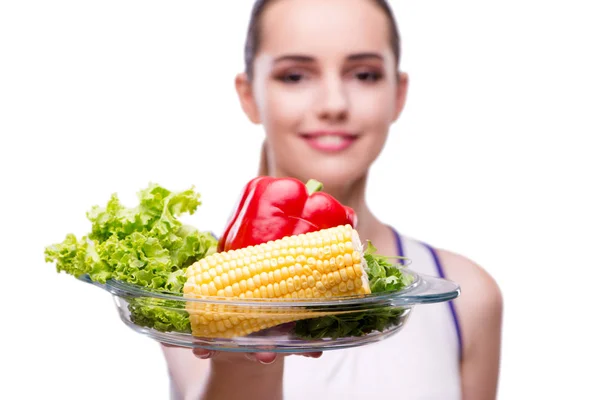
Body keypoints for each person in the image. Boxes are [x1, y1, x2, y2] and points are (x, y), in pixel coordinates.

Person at [161, 0, 503, 399]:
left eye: (363, 74)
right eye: (294, 76)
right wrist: (241, 348)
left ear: (398, 93)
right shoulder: (187, 288)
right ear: (249, 95)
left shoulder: (469, 297)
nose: (334, 105)